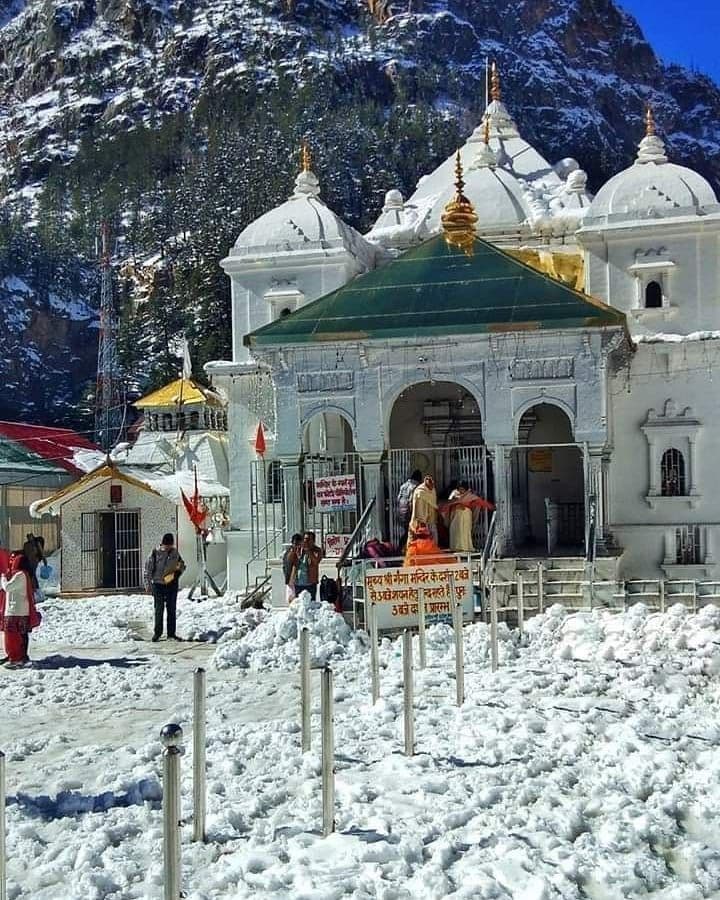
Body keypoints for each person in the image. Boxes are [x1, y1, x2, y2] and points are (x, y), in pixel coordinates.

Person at [0, 552, 41, 667]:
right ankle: (12, 655)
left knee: (17, 637)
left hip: (18, 611)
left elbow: (7, 587)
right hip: (13, 610)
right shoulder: (16, 575)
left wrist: (3, 578)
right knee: (12, 636)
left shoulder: (21, 575)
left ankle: (19, 658)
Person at [144, 533, 186, 642]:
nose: (168, 547)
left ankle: (171, 634)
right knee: (159, 609)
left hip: (171, 584)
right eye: (166, 545)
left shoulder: (175, 553)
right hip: (158, 585)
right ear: (162, 543)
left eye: (170, 545)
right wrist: (148, 585)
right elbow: (148, 570)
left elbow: (182, 565)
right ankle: (157, 633)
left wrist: (177, 573)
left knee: (171, 609)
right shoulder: (155, 553)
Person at [441, 483, 494, 552]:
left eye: (462, 489)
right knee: (455, 531)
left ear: (466, 489)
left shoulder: (470, 496)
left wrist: (491, 507)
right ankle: (455, 548)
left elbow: (481, 502)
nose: (460, 491)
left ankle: (465, 548)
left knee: (464, 531)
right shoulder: (454, 494)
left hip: (465, 515)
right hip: (455, 516)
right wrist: (456, 505)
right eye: (459, 489)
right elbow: (448, 504)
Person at [288, 531, 323, 601]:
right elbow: (289, 559)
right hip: (298, 582)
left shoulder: (317, 550)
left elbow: (316, 562)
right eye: (304, 539)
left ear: (313, 541)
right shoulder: (299, 549)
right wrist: (293, 549)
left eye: (308, 539)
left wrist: (309, 551)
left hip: (310, 582)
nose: (305, 541)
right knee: (298, 604)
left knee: (311, 603)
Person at [396, 469, 422, 549]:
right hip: (408, 513)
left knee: (407, 530)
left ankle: (403, 548)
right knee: (410, 532)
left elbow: (398, 499)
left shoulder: (404, 485)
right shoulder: (415, 487)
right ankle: (402, 548)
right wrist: (413, 515)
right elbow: (411, 501)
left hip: (401, 513)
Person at [410, 474, 439, 542]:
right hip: (422, 517)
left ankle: (434, 547)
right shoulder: (420, 491)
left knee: (433, 532)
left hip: (432, 516)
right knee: (422, 534)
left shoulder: (433, 490)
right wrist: (421, 518)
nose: (431, 484)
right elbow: (417, 505)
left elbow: (433, 502)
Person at [282, 533, 302, 603]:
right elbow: (291, 567)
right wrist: (290, 580)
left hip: (296, 581)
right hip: (292, 581)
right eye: (296, 544)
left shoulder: (296, 552)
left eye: (299, 544)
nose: (297, 546)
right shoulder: (291, 553)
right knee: (292, 600)